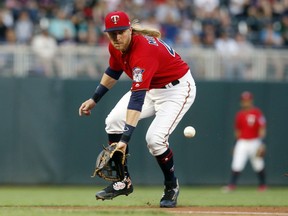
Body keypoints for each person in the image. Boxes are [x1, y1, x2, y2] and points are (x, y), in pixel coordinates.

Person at [78, 11, 196, 208]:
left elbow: (137, 99)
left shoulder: (143, 51)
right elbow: (113, 71)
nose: (116, 37)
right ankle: (123, 181)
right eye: (112, 33)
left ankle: (171, 185)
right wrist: (94, 98)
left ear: (130, 30)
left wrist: (124, 140)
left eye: (121, 32)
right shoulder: (115, 46)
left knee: (155, 140)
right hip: (151, 88)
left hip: (176, 90)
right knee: (113, 121)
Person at [224, 91, 267, 192]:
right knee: (237, 163)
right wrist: (235, 144)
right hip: (242, 142)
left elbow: (262, 128)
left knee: (258, 164)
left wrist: (262, 144)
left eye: (247, 100)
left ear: (251, 101)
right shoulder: (239, 114)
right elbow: (237, 131)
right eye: (243, 100)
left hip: (255, 141)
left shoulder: (257, 112)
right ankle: (232, 185)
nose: (245, 102)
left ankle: (263, 185)